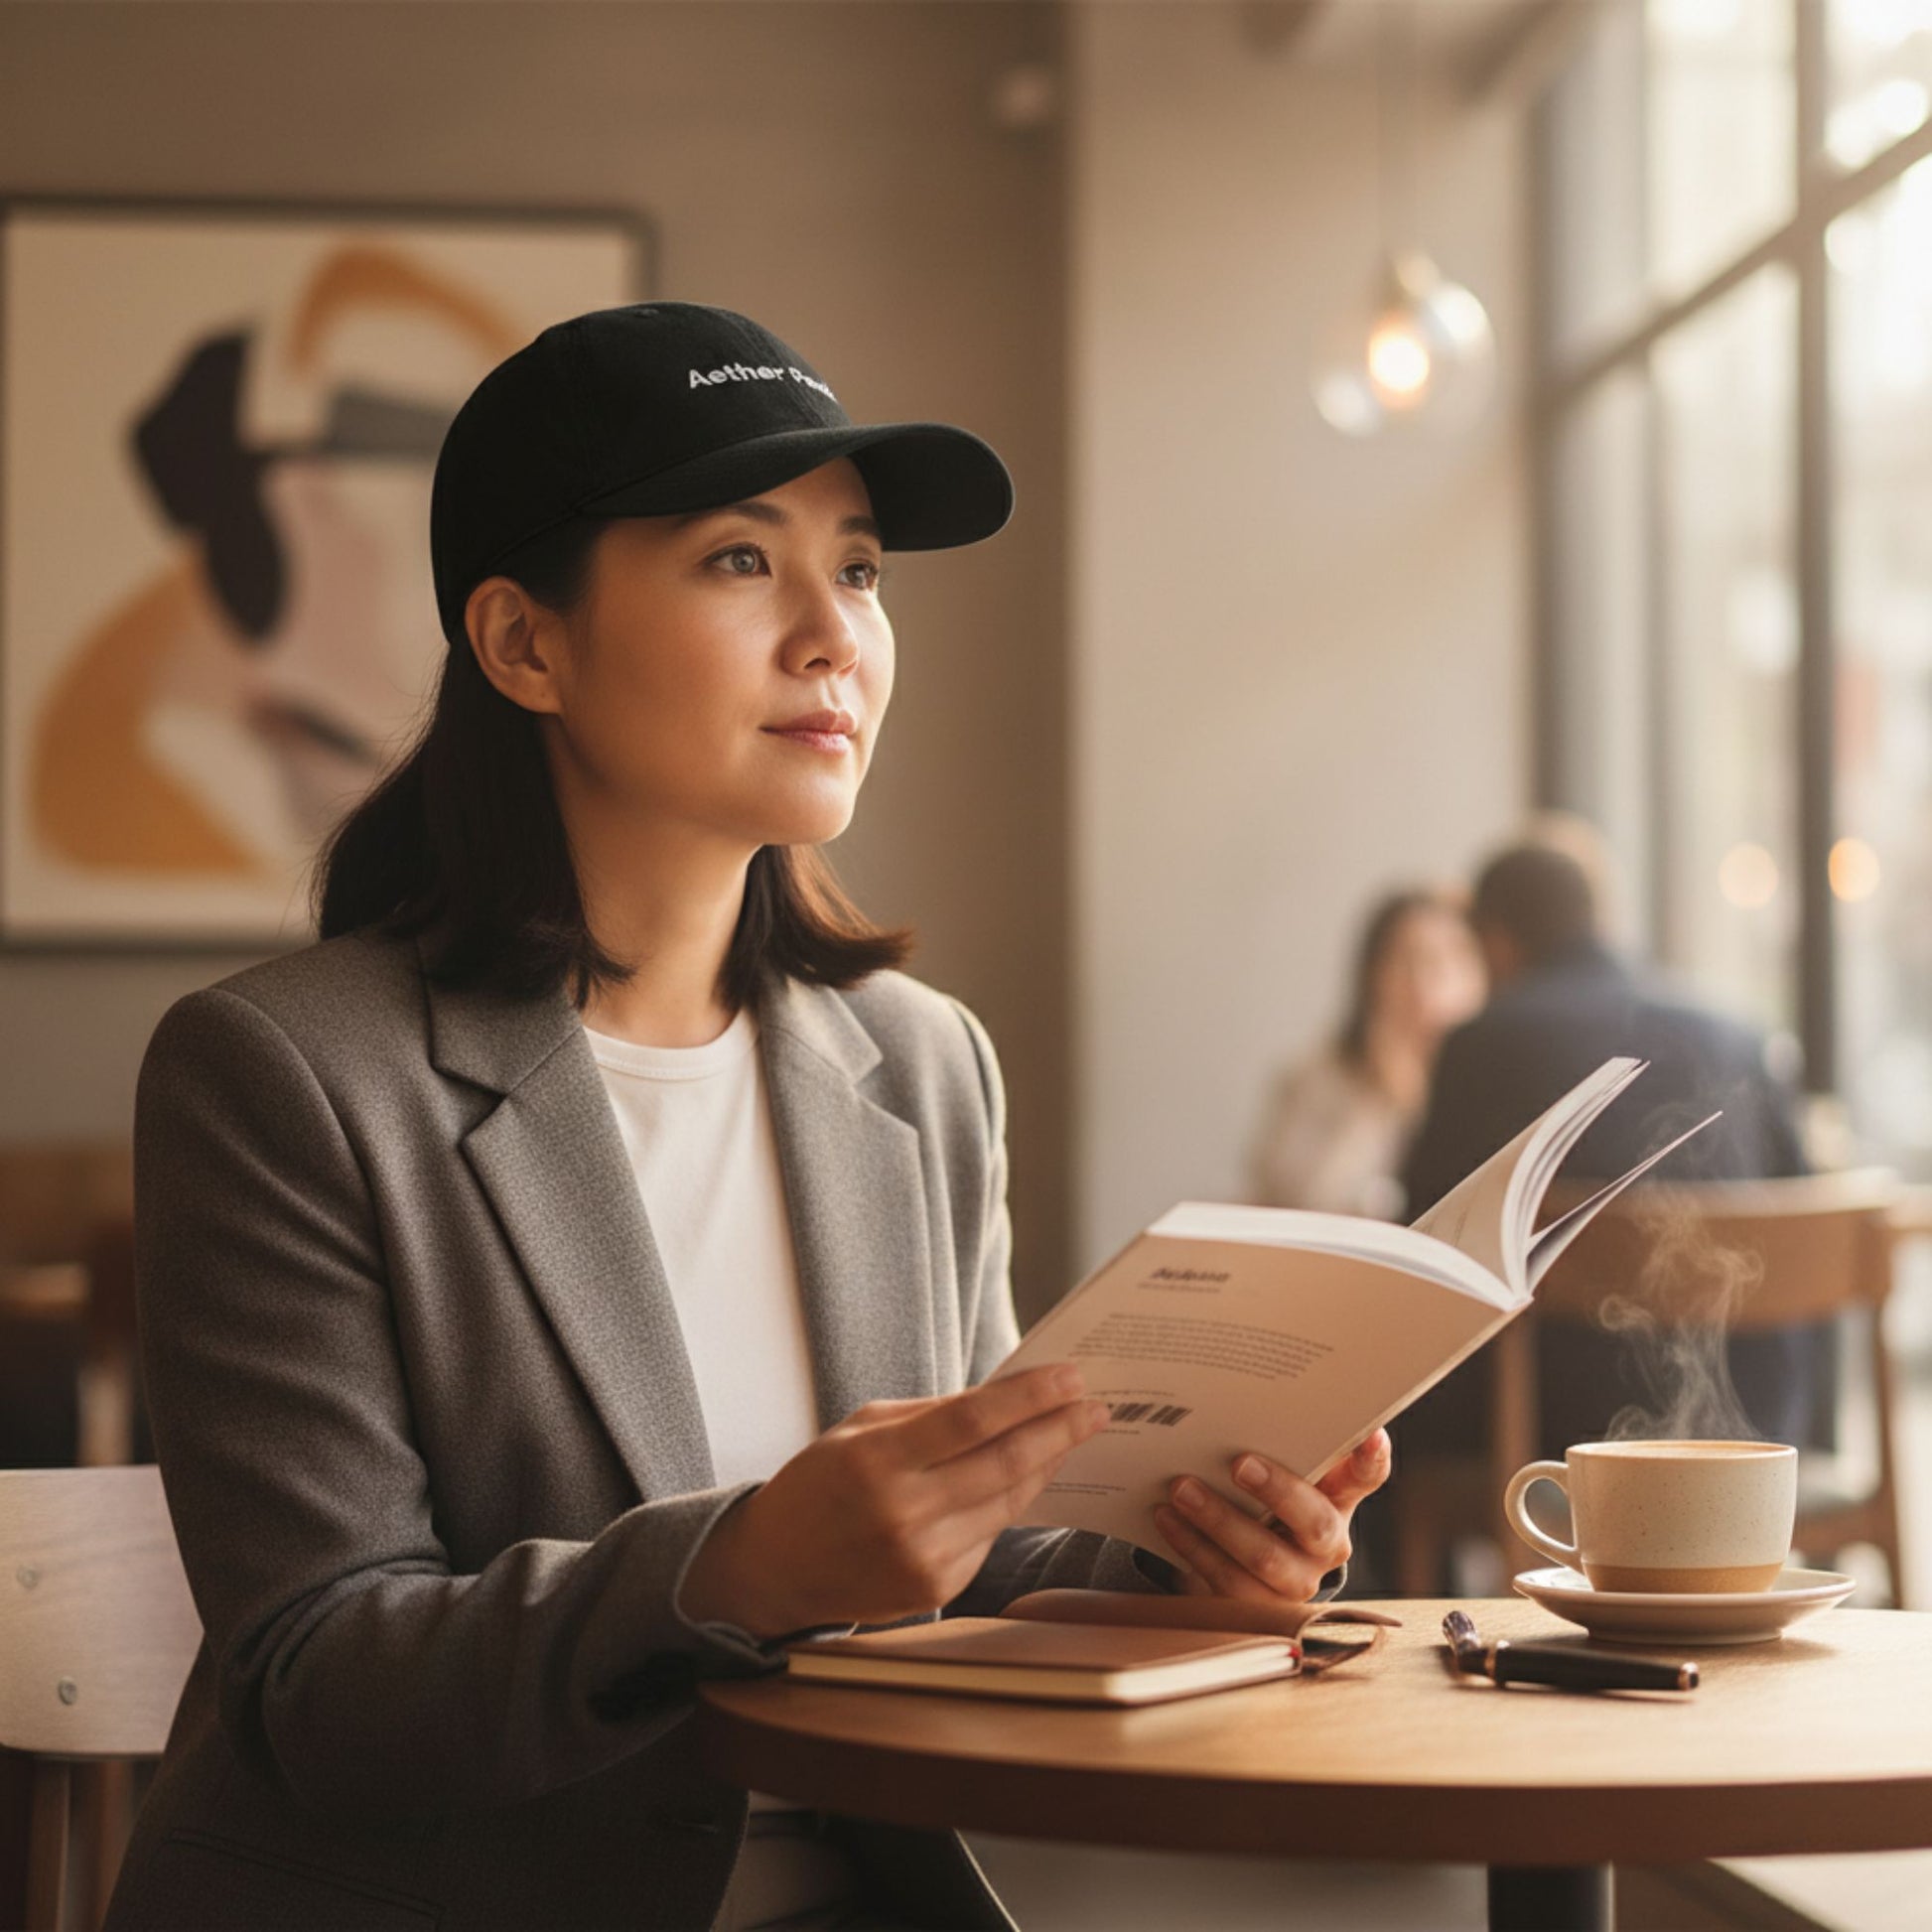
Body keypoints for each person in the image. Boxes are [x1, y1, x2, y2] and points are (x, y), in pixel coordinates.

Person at [105, 303, 1392, 1932]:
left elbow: (973, 1565)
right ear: (524, 646)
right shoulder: (281, 1076)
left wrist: (1184, 1555)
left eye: (856, 568)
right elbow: (320, 1683)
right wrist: (731, 1569)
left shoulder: (921, 1065)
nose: (831, 634)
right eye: (738, 560)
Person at [1399, 834, 1816, 1463]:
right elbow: (1809, 1228)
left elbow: (1426, 1246)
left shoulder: (1484, 1044)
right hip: (1754, 1423)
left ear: (1495, 941)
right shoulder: (1738, 1033)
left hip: (1554, 1435)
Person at [1250, 888, 1483, 1218]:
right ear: (1373, 975)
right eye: (1408, 961)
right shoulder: (1319, 1077)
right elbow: (1305, 1202)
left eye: (1449, 959)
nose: (1426, 984)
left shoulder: (1484, 1084)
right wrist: (1382, 1104)